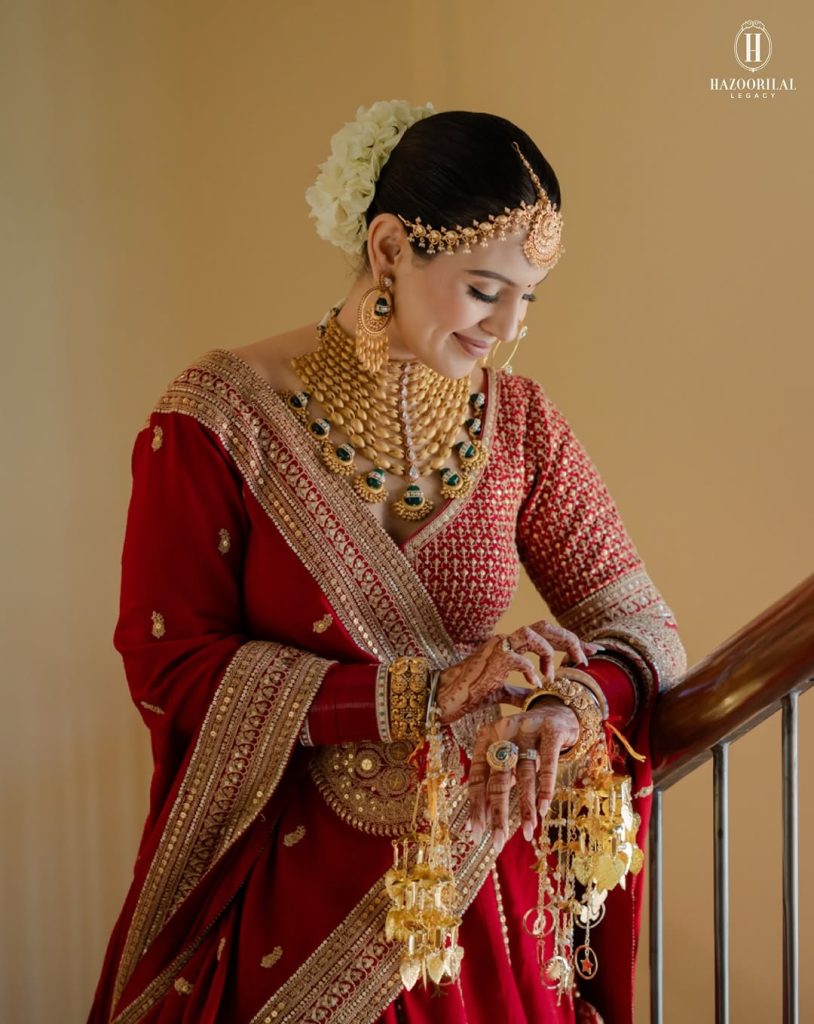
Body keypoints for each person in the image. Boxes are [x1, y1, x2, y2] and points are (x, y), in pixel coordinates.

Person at [89, 101, 686, 1024]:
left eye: (529, 297)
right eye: (486, 290)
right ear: (389, 249)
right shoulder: (219, 421)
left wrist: (565, 706)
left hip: (480, 881)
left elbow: (645, 632)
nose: (507, 328)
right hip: (286, 887)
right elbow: (172, 666)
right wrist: (410, 698)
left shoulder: (521, 422)